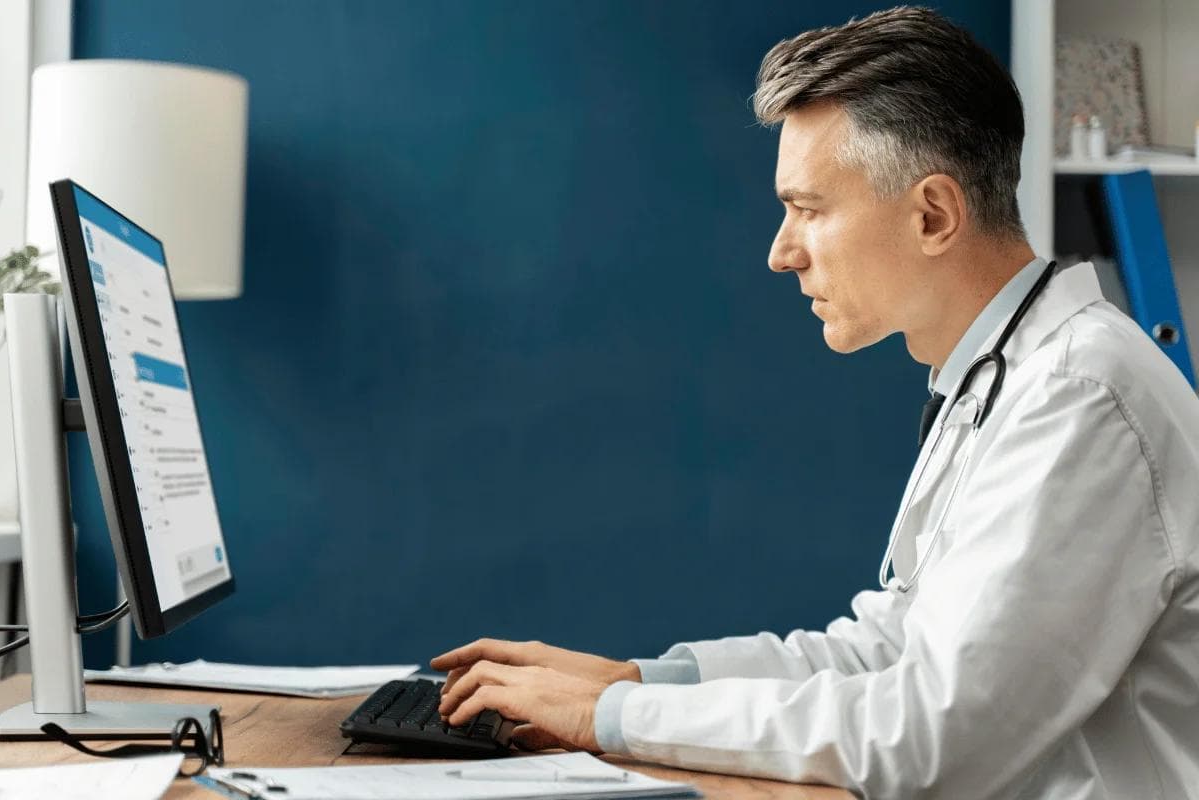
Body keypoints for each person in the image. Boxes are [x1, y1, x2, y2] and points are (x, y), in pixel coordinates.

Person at [432, 6, 1199, 797]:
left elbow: (931, 733)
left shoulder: (1081, 397)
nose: (781, 251)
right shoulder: (1002, 376)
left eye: (809, 209)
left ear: (933, 214)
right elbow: (888, 650)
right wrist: (634, 681)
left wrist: (613, 716)